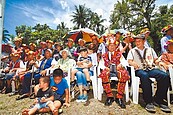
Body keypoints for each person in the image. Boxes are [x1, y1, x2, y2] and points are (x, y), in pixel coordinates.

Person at [127, 34, 171, 113]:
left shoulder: (150, 50)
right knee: (144, 75)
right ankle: (148, 101)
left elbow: (155, 60)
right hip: (139, 69)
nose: (137, 43)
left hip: (150, 68)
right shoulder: (132, 51)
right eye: (136, 41)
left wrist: (161, 63)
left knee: (164, 76)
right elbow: (129, 61)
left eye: (139, 41)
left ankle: (159, 99)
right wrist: (133, 63)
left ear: (144, 41)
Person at [99, 36, 130, 108]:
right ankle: (109, 96)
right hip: (109, 70)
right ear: (108, 46)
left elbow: (125, 62)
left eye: (113, 45)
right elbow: (100, 64)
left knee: (124, 74)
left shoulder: (119, 54)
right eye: (110, 45)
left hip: (117, 70)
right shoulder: (104, 55)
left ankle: (119, 97)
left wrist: (121, 64)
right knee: (104, 74)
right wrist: (104, 67)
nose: (112, 47)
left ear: (116, 46)